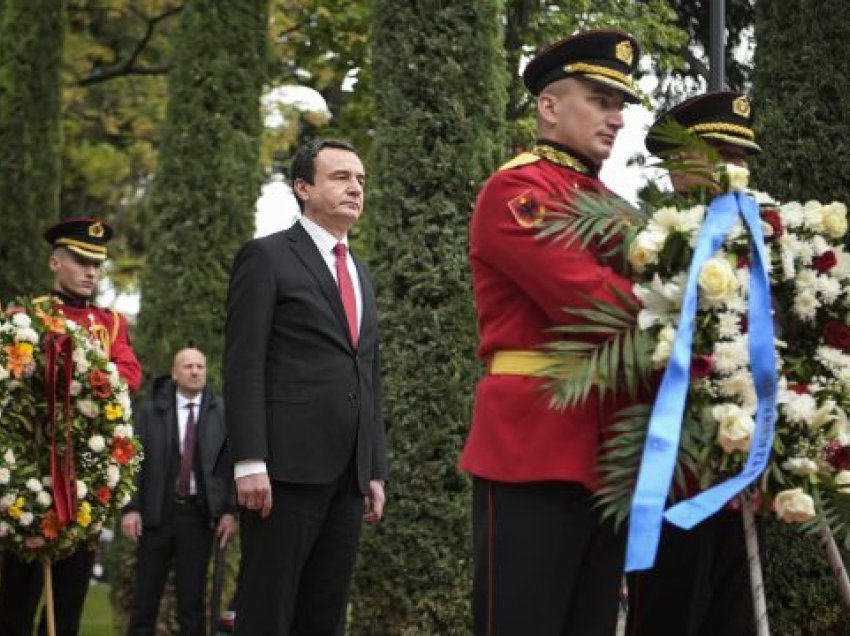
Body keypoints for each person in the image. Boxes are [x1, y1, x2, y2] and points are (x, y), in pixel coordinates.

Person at [459, 29, 642, 635]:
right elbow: (585, 300)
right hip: (532, 447)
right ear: (548, 106)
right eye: (599, 100)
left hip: (607, 450)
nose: (615, 118)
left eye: (619, 106)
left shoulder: (613, 204)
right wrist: (685, 317)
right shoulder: (516, 190)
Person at [223, 139, 388, 635]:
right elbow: (243, 364)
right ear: (302, 188)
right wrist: (249, 460)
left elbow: (369, 375)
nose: (355, 187)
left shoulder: (360, 271)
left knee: (326, 615)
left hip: (347, 477)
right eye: (340, 177)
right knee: (268, 612)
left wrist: (374, 468)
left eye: (360, 179)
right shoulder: (265, 257)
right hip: (282, 472)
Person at [626, 90, 763, 636]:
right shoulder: (648, 246)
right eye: (721, 155)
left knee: (735, 621)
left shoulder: (761, 243)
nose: (737, 170)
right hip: (671, 476)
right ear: (680, 164)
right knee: (671, 617)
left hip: (742, 478)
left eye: (744, 157)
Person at [0, 217, 142, 635]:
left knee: (68, 605)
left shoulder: (111, 323)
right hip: (34, 476)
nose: (91, 272)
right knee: (15, 604)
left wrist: (83, 376)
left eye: (96, 264)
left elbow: (129, 375)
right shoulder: (28, 317)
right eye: (81, 262)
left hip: (86, 481)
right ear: (55, 263)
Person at [121, 346, 237, 636]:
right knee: (144, 601)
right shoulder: (150, 412)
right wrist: (131, 508)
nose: (195, 371)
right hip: (156, 516)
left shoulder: (221, 413)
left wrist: (230, 511)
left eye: (200, 366)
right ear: (175, 373)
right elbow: (133, 463)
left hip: (198, 519)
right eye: (188, 366)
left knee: (192, 605)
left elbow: (233, 466)